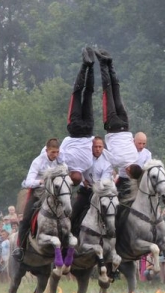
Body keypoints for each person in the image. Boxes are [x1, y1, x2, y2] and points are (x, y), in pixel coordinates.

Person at [14, 138, 62, 261]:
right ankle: (20, 247)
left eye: (57, 152)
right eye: (52, 152)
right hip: (38, 192)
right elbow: (28, 181)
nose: (55, 155)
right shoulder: (37, 161)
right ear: (46, 150)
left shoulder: (60, 160)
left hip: (56, 193)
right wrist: (40, 181)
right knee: (25, 219)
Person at [95, 49, 138, 179]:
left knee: (116, 89)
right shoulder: (117, 163)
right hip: (112, 127)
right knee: (107, 91)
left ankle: (110, 64)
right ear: (129, 171)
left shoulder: (135, 156)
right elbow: (102, 151)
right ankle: (103, 63)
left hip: (125, 125)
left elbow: (132, 141)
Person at [59, 47, 97, 186]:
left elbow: (94, 146)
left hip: (88, 130)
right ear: (70, 175)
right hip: (74, 130)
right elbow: (62, 145)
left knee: (88, 94)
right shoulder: (66, 163)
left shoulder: (87, 164)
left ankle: (91, 67)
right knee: (76, 93)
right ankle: (84, 65)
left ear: (80, 176)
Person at [70, 136, 113, 237]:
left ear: (103, 147)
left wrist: (95, 185)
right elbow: (78, 170)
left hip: (100, 194)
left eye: (100, 147)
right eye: (95, 147)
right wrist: (81, 180)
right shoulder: (85, 157)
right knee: (74, 211)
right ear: (91, 147)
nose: (97, 149)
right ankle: (69, 237)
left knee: (112, 212)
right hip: (85, 191)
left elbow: (104, 181)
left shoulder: (107, 163)